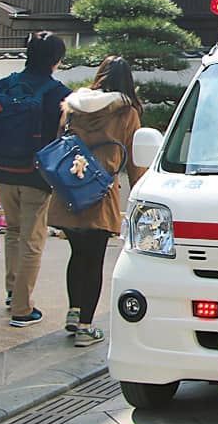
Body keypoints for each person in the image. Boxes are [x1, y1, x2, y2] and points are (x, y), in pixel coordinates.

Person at [46, 56, 146, 347]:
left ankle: (74, 313)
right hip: (100, 192)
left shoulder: (72, 106)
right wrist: (142, 194)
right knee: (94, 260)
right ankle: (86, 328)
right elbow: (135, 159)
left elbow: (59, 142)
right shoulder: (127, 112)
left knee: (77, 255)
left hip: (70, 189)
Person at [0, 32, 71, 327]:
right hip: (36, 175)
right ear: (57, 60)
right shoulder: (60, 94)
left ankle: (11, 290)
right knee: (32, 240)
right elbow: (62, 140)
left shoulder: (3, 85)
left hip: (1, 170)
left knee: (14, 232)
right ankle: (21, 308)